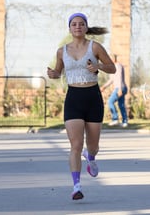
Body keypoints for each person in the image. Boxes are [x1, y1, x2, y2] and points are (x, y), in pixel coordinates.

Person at [47, 12, 116, 200]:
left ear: (86, 28)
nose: (77, 27)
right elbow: (58, 72)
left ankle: (91, 157)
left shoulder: (95, 47)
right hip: (74, 98)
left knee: (93, 146)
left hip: (92, 98)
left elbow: (112, 68)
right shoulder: (62, 51)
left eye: (81, 24)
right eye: (74, 24)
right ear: (69, 28)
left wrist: (98, 67)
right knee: (75, 144)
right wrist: (53, 74)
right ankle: (76, 186)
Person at [100, 54, 128, 127]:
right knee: (121, 104)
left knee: (110, 101)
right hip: (121, 87)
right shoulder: (114, 67)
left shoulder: (117, 66)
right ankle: (125, 121)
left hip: (120, 88)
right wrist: (104, 87)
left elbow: (119, 78)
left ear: (113, 59)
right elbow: (112, 80)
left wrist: (119, 89)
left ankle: (115, 119)